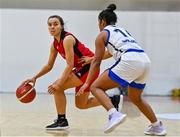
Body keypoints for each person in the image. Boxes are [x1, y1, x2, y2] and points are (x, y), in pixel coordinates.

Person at [77, 4, 167, 136]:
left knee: (96, 87)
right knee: (136, 98)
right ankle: (157, 126)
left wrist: (87, 83)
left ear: (102, 21)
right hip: (145, 61)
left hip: (130, 61)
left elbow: (97, 61)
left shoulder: (102, 35)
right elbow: (108, 53)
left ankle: (114, 114)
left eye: (98, 22)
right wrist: (91, 59)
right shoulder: (122, 31)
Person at [21, 15, 121, 130]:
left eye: (55, 24)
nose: (52, 27)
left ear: (61, 26)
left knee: (57, 88)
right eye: (50, 25)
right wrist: (35, 78)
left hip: (88, 68)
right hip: (82, 69)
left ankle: (61, 120)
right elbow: (49, 65)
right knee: (81, 105)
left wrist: (59, 84)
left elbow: (70, 65)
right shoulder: (54, 44)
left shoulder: (67, 39)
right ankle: (112, 100)